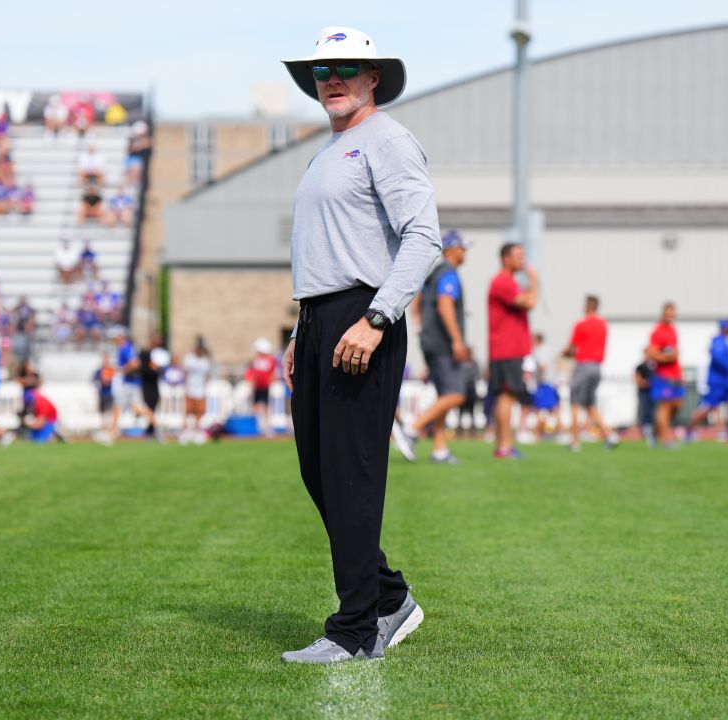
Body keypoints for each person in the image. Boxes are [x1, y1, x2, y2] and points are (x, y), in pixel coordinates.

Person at [278, 27, 435, 664]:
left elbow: (424, 238)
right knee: (320, 473)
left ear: (373, 77)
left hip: (361, 316)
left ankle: (354, 631)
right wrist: (301, 331)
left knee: (350, 476)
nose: (332, 77)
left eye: (347, 67)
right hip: (321, 319)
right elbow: (328, 250)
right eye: (322, 70)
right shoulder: (330, 151)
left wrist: (374, 319)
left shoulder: (388, 140)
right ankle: (391, 596)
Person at [405, 230, 471, 464]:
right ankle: (413, 429)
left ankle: (440, 449)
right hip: (444, 345)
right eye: (463, 248)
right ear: (453, 249)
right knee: (456, 394)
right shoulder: (449, 274)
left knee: (444, 393)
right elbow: (445, 306)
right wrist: (457, 340)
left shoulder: (432, 275)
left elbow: (417, 302)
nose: (465, 252)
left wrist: (421, 327)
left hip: (430, 342)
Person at [486, 243, 537, 459]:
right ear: (505, 258)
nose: (522, 260)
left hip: (506, 350)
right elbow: (529, 302)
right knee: (508, 395)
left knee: (504, 396)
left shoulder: (508, 282)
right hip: (508, 350)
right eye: (518, 255)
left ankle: (502, 445)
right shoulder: (503, 282)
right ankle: (506, 446)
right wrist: (534, 281)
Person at [563, 295, 618, 451]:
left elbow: (572, 348)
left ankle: (574, 442)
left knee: (574, 403)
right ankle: (610, 435)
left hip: (583, 366)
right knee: (590, 405)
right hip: (597, 368)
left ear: (587, 306)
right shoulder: (603, 325)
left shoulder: (581, 325)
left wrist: (564, 352)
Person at [686, 319, 728, 443]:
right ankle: (689, 430)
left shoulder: (727, 342)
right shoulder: (718, 341)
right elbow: (718, 359)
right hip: (718, 382)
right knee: (709, 407)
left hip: (727, 381)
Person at [647, 302, 684, 449]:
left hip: (675, 376)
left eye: (672, 312)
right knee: (665, 407)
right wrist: (667, 358)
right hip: (663, 376)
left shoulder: (673, 330)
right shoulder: (657, 332)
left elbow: (675, 353)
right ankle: (666, 440)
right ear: (663, 313)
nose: (670, 315)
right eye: (667, 312)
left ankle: (655, 433)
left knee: (677, 405)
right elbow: (651, 353)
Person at [181, 336, 213, 445]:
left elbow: (208, 375)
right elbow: (185, 373)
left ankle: (197, 432)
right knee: (188, 411)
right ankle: (186, 432)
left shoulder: (205, 361)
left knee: (200, 412)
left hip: (200, 389)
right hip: (190, 388)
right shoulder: (189, 358)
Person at [246, 338, 279, 437]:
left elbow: (273, 372)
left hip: (266, 387)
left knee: (267, 407)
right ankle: (256, 427)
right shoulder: (255, 360)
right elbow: (251, 373)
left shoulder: (271, 360)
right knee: (256, 406)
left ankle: (267, 427)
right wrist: (251, 383)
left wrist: (271, 382)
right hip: (257, 387)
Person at [93, 353, 117, 440]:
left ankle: (109, 429)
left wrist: (108, 381)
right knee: (102, 412)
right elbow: (94, 380)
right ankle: (103, 428)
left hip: (110, 393)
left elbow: (114, 380)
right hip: (102, 393)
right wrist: (99, 383)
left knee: (109, 411)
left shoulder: (111, 370)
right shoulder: (99, 371)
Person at [634, 351, 656, 445]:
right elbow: (637, 379)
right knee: (646, 412)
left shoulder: (655, 366)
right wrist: (646, 383)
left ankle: (655, 433)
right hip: (644, 393)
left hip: (654, 393)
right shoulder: (641, 366)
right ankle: (646, 432)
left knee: (655, 413)